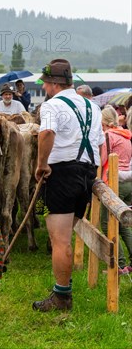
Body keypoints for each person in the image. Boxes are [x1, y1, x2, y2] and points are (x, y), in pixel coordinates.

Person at [34, 58, 104, 312]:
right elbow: (99, 144)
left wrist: (41, 164)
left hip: (62, 172)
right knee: (67, 233)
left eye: (45, 84)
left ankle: (62, 297)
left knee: (60, 239)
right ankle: (62, 290)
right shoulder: (92, 107)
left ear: (54, 83)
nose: (43, 89)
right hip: (87, 172)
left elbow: (46, 133)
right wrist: (96, 172)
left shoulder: (52, 106)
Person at [99, 105, 132, 274]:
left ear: (103, 121)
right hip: (128, 182)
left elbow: (102, 159)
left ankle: (119, 265)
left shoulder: (108, 136)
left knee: (106, 223)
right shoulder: (125, 134)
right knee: (124, 224)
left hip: (114, 182)